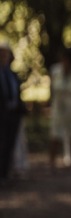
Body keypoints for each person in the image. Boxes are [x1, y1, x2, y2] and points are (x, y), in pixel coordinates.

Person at [0, 40, 23, 186]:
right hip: (1, 115)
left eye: (5, 54)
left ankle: (5, 173)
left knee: (9, 144)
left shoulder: (11, 74)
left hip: (13, 115)